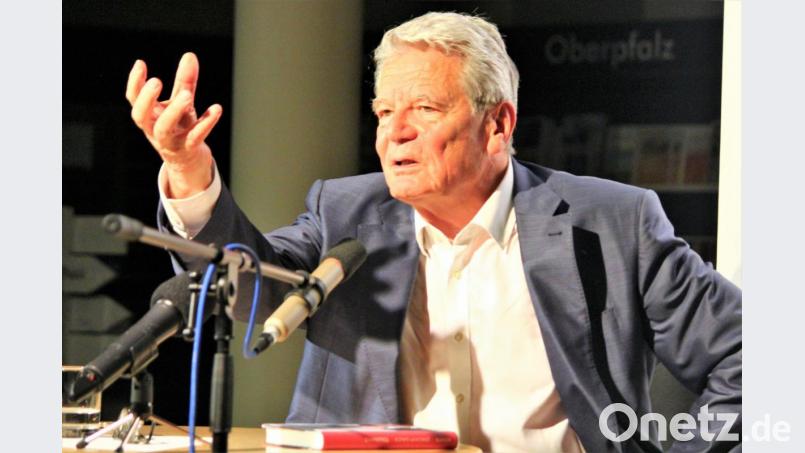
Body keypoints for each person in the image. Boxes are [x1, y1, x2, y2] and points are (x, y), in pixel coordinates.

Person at [126, 12, 741, 453]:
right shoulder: (346, 211)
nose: (395, 134)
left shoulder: (609, 221)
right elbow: (248, 284)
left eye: (423, 109)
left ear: (498, 125)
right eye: (384, 113)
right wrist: (186, 170)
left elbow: (751, 360)